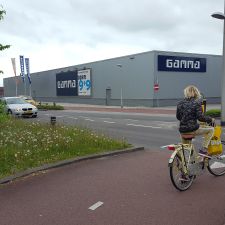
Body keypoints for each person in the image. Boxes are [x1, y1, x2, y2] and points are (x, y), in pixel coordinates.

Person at [176, 85, 215, 157]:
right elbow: (200, 118)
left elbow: (178, 117)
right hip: (192, 129)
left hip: (182, 130)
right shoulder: (196, 103)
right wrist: (210, 119)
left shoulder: (180, 103)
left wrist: (186, 119)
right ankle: (204, 149)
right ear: (196, 93)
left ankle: (185, 165)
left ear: (186, 93)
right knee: (211, 130)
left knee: (186, 149)